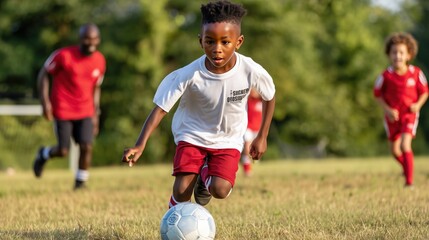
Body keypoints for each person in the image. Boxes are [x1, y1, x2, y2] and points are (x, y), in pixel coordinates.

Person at [122, 0, 276, 208]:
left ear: (238, 42)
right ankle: (174, 220)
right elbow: (160, 109)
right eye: (210, 41)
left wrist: (262, 136)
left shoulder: (250, 69)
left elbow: (269, 95)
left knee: (220, 190)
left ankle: (206, 176)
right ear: (200, 41)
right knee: (182, 189)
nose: (217, 49)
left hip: (228, 139)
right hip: (192, 134)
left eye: (225, 42)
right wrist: (140, 144)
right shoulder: (188, 74)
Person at [32, 23, 106, 190]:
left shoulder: (100, 60)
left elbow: (96, 88)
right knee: (63, 150)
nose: (91, 42)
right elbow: (44, 73)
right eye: (87, 38)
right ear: (80, 39)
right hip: (63, 109)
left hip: (86, 110)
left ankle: (80, 182)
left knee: (86, 145)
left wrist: (96, 113)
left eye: (94, 38)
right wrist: (45, 102)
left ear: (99, 39)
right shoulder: (63, 55)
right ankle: (43, 154)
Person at [374, 32, 428, 187]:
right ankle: (407, 168)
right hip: (392, 118)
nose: (397, 56)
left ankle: (409, 182)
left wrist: (417, 105)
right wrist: (388, 109)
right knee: (395, 151)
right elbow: (377, 95)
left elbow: (425, 92)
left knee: (405, 145)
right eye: (394, 52)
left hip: (409, 115)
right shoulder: (385, 76)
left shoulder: (416, 73)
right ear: (389, 55)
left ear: (408, 55)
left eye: (401, 52)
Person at [241, 88, 263, 177]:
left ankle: (248, 163)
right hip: (248, 127)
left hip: (258, 129)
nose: (253, 92)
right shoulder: (248, 101)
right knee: (247, 148)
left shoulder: (262, 102)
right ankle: (247, 170)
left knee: (256, 150)